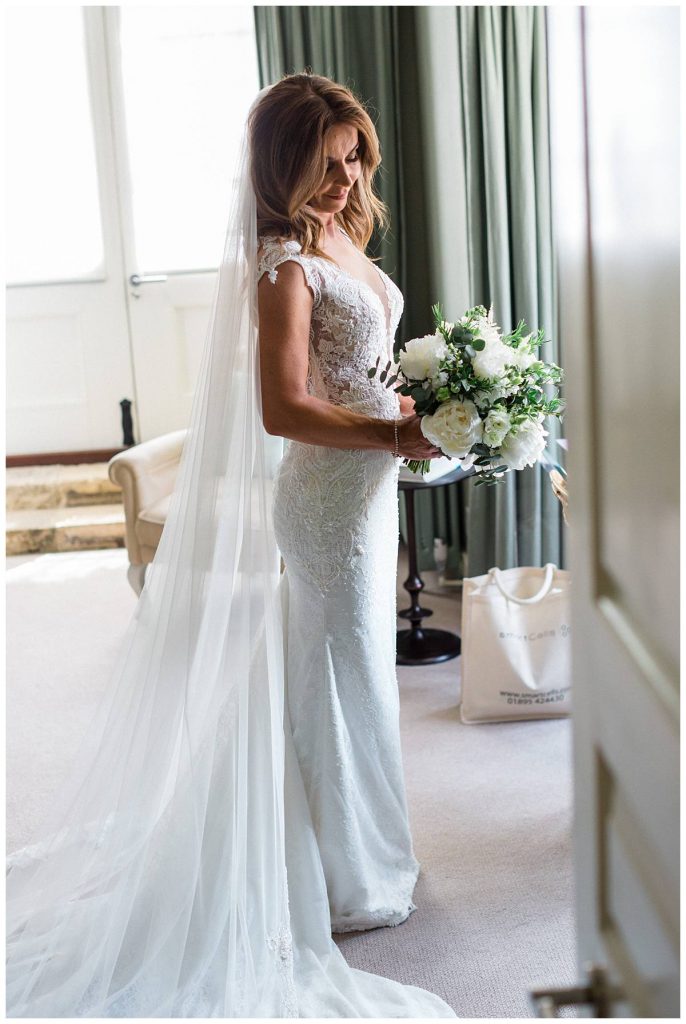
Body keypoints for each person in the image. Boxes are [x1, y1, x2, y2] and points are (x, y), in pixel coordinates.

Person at [6, 73, 455, 1018]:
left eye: (352, 160)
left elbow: (351, 374)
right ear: (283, 162)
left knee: (359, 676)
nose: (344, 180)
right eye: (327, 164)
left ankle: (366, 853)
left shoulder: (342, 235)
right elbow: (284, 407)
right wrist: (390, 435)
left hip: (370, 496)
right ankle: (339, 877)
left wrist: (407, 408)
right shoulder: (283, 259)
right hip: (329, 504)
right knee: (338, 680)